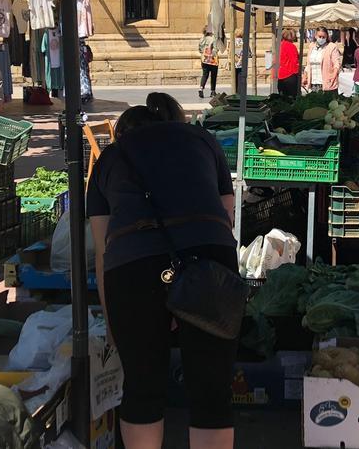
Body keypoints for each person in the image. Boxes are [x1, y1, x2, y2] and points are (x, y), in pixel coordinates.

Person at [86, 92, 239, 449]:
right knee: (211, 392)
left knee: (142, 388)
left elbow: (103, 252)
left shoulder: (110, 157)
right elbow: (226, 216)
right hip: (208, 255)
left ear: (122, 132)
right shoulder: (202, 140)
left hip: (133, 265)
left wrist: (114, 324)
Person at [302, 27, 342, 92]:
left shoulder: (332, 47)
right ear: (315, 36)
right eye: (320, 36)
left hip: (327, 82)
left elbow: (337, 64)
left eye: (324, 37)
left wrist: (333, 76)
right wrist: (305, 76)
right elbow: (308, 65)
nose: (321, 39)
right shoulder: (311, 46)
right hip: (313, 83)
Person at [277, 29, 300, 97]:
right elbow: (294, 61)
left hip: (280, 76)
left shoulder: (279, 45)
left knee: (282, 98)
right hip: (290, 75)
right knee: (291, 99)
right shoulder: (291, 46)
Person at [198, 28, 219, 99]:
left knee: (205, 75)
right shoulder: (213, 39)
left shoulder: (202, 39)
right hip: (212, 60)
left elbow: (200, 50)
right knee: (213, 76)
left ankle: (201, 88)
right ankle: (213, 91)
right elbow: (216, 49)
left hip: (204, 59)